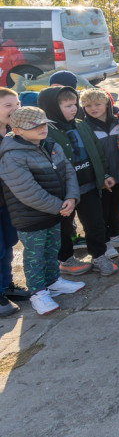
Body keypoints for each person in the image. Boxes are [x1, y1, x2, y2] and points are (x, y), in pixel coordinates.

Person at [0, 107, 85, 315]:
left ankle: (53, 281)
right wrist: (60, 207)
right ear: (17, 130)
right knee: (35, 256)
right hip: (32, 219)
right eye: (35, 126)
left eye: (44, 123)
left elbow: (68, 171)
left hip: (56, 213)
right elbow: (27, 191)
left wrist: (72, 197)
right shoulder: (12, 156)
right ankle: (38, 293)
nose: (42, 128)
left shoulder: (51, 145)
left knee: (51, 249)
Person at [36, 86, 118, 276]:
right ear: (52, 108)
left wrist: (103, 174)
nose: (73, 109)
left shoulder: (81, 124)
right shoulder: (45, 131)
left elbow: (96, 151)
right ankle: (65, 259)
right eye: (67, 106)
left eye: (74, 105)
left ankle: (98, 255)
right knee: (64, 227)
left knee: (95, 223)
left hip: (88, 185)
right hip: (63, 191)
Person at [80, 89, 119, 254]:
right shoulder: (84, 126)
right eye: (88, 105)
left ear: (107, 104)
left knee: (116, 205)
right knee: (102, 210)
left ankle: (116, 235)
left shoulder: (118, 121)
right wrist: (102, 175)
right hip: (102, 178)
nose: (93, 108)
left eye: (98, 104)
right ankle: (104, 242)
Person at [0, 88, 30, 315]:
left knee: (8, 245)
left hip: (8, 202)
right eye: (8, 106)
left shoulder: (13, 133)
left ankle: (6, 286)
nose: (15, 109)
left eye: (17, 103)